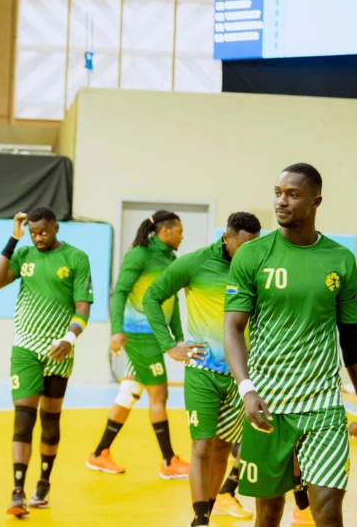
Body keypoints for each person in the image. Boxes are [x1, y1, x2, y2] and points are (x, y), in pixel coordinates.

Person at [223, 163, 357, 527]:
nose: (282, 201)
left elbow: (352, 336)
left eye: (293, 194)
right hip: (266, 402)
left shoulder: (340, 259)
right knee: (269, 512)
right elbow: (232, 328)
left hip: (322, 404)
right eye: (278, 193)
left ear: (315, 201)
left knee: (326, 509)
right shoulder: (252, 255)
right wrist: (246, 389)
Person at [143, 212, 260, 525]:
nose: (250, 252)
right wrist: (169, 345)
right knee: (202, 446)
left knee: (223, 447)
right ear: (227, 238)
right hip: (202, 373)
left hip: (240, 378)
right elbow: (152, 296)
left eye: (255, 246)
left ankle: (210, 509)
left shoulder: (256, 268)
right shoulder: (195, 263)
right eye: (244, 246)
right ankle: (199, 519)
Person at [0, 208, 93, 516]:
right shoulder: (24, 254)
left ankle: (43, 483)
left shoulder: (77, 258)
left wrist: (69, 339)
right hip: (25, 348)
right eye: (34, 233)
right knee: (23, 418)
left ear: (56, 227)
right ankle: (17, 491)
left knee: (50, 422)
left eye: (43, 232)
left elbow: (83, 308)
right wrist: (13, 238)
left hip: (58, 349)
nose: (39, 238)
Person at [86, 210, 190, 479]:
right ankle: (168, 461)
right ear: (165, 231)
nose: (182, 235)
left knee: (130, 390)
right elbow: (119, 292)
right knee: (159, 395)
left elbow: (173, 301)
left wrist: (178, 335)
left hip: (156, 335)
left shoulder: (170, 258)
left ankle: (99, 454)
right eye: (179, 230)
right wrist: (116, 330)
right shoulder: (139, 255)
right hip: (139, 334)